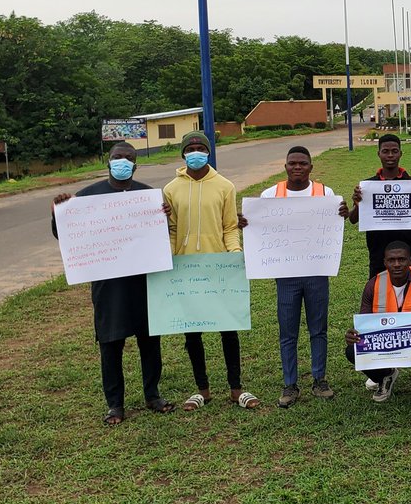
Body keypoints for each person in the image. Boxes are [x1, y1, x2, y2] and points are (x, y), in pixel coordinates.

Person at [50, 141, 174, 426]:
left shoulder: (148, 196)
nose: (123, 162)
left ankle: (153, 395)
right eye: (118, 157)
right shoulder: (86, 197)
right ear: (108, 161)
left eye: (128, 158)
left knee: (150, 341)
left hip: (144, 282)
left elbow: (161, 236)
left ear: (135, 164)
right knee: (110, 344)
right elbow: (65, 235)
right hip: (109, 287)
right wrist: (59, 213)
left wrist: (164, 217)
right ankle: (115, 405)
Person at [164, 131, 260, 410]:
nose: (195, 152)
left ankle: (236, 388)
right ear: (183, 154)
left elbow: (229, 226)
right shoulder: (171, 189)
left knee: (228, 328)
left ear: (208, 152)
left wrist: (235, 254)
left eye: (200, 148)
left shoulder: (224, 186)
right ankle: (202, 391)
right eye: (190, 148)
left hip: (218, 266)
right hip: (186, 268)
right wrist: (169, 258)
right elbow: (172, 229)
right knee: (192, 332)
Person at [254, 145, 335, 408]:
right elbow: (259, 228)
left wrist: (342, 214)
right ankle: (290, 385)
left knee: (318, 329)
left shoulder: (324, 193)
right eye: (292, 163)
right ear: (285, 166)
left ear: (311, 167)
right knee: (288, 332)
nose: (297, 167)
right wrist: (247, 223)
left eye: (302, 163)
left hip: (316, 272)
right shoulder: (270, 195)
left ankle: (319, 379)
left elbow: (333, 226)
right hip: (286, 275)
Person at [344, 241, 411, 422]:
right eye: (392, 260)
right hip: (387, 341)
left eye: (402, 259)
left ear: (410, 260)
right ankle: (385, 375)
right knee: (352, 350)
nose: (397, 264)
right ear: (385, 262)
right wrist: (354, 336)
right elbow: (364, 323)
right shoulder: (373, 284)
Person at [341, 133, 411, 277]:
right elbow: (353, 220)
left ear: (400, 153)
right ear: (378, 154)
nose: (390, 155)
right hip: (378, 253)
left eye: (394, 151)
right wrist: (358, 204)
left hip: (409, 252)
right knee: (379, 290)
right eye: (385, 151)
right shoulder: (368, 186)